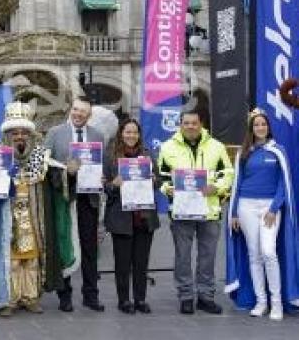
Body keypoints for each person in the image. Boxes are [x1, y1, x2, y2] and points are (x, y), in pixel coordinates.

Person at [0, 101, 74, 316]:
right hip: (9, 217)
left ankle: (30, 297)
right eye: (14, 133)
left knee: (32, 258)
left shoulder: (42, 158)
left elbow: (58, 182)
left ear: (30, 134)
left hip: (34, 217)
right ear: (7, 136)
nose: (19, 137)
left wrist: (68, 174)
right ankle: (10, 299)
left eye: (23, 132)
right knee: (12, 260)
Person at [158, 109, 233, 315]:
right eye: (186, 123)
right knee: (182, 255)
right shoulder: (167, 147)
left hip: (209, 210)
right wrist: (168, 188)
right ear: (180, 125)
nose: (190, 126)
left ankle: (206, 296)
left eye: (194, 123)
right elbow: (162, 176)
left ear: (201, 124)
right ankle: (186, 296)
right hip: (181, 212)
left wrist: (217, 187)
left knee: (207, 256)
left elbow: (227, 172)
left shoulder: (216, 147)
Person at [226, 108, 299, 319]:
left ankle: (276, 303)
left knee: (269, 252)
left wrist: (274, 208)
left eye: (263, 124)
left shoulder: (278, 150)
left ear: (268, 127)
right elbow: (237, 183)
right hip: (245, 207)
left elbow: (283, 184)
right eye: (256, 124)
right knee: (254, 254)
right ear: (251, 128)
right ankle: (261, 301)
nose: (260, 127)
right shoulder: (244, 152)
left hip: (269, 208)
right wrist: (234, 213)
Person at [44, 97, 105, 312]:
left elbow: (102, 166)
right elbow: (44, 165)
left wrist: (102, 178)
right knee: (65, 245)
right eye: (76, 110)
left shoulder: (98, 136)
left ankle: (91, 295)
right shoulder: (55, 133)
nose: (79, 114)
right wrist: (64, 172)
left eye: (84, 112)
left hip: (89, 200)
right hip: (64, 198)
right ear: (71, 110)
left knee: (90, 248)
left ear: (89, 115)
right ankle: (65, 295)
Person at [103, 118, 159, 314]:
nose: (131, 136)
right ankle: (124, 300)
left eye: (135, 132)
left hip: (144, 218)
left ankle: (140, 300)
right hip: (121, 218)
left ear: (139, 135)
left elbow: (158, 181)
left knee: (141, 263)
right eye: (128, 132)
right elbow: (103, 185)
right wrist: (113, 185)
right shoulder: (110, 157)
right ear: (121, 134)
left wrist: (153, 180)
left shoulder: (148, 155)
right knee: (123, 263)